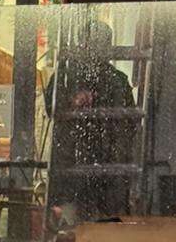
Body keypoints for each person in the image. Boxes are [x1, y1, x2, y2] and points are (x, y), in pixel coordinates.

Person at [45, 18, 137, 223]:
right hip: (76, 166)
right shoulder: (66, 77)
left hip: (102, 169)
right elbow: (52, 108)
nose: (98, 48)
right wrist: (72, 101)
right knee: (75, 223)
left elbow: (129, 125)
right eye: (95, 42)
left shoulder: (117, 80)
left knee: (82, 225)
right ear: (82, 43)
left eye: (103, 42)